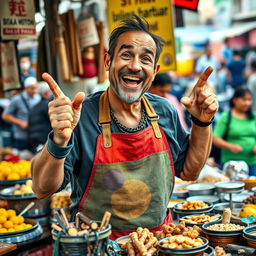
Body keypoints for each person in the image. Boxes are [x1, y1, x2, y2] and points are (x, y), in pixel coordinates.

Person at [31, 15, 218, 239]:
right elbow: (42, 188)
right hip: (97, 247)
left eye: (145, 59)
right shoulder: (82, 115)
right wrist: (59, 139)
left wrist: (202, 122)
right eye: (126, 54)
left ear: (155, 70)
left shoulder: (165, 111)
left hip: (157, 244)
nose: (135, 66)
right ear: (108, 61)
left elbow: (190, 171)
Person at [213, 87, 256, 176]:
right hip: (231, 164)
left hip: (252, 163)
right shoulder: (226, 117)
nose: (247, 103)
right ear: (235, 100)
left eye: (249, 100)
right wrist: (230, 146)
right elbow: (215, 138)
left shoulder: (254, 116)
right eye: (244, 100)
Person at [2, 77, 41, 151]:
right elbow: (5, 116)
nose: (35, 91)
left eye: (36, 88)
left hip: (35, 136)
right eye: (32, 88)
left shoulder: (38, 98)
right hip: (21, 137)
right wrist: (20, 123)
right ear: (26, 88)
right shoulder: (17, 99)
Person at [28, 81, 53, 151]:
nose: (51, 93)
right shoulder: (48, 105)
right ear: (46, 92)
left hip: (34, 141)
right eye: (50, 91)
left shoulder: (34, 107)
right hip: (44, 140)